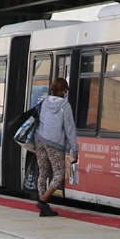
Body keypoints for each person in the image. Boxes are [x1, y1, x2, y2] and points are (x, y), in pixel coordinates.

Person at [30, 75, 78, 218]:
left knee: (43, 172)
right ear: (62, 90)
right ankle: (43, 201)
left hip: (40, 139)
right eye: (64, 90)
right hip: (54, 143)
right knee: (59, 174)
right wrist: (74, 149)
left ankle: (42, 207)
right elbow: (69, 129)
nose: (65, 92)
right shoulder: (65, 105)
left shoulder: (44, 102)